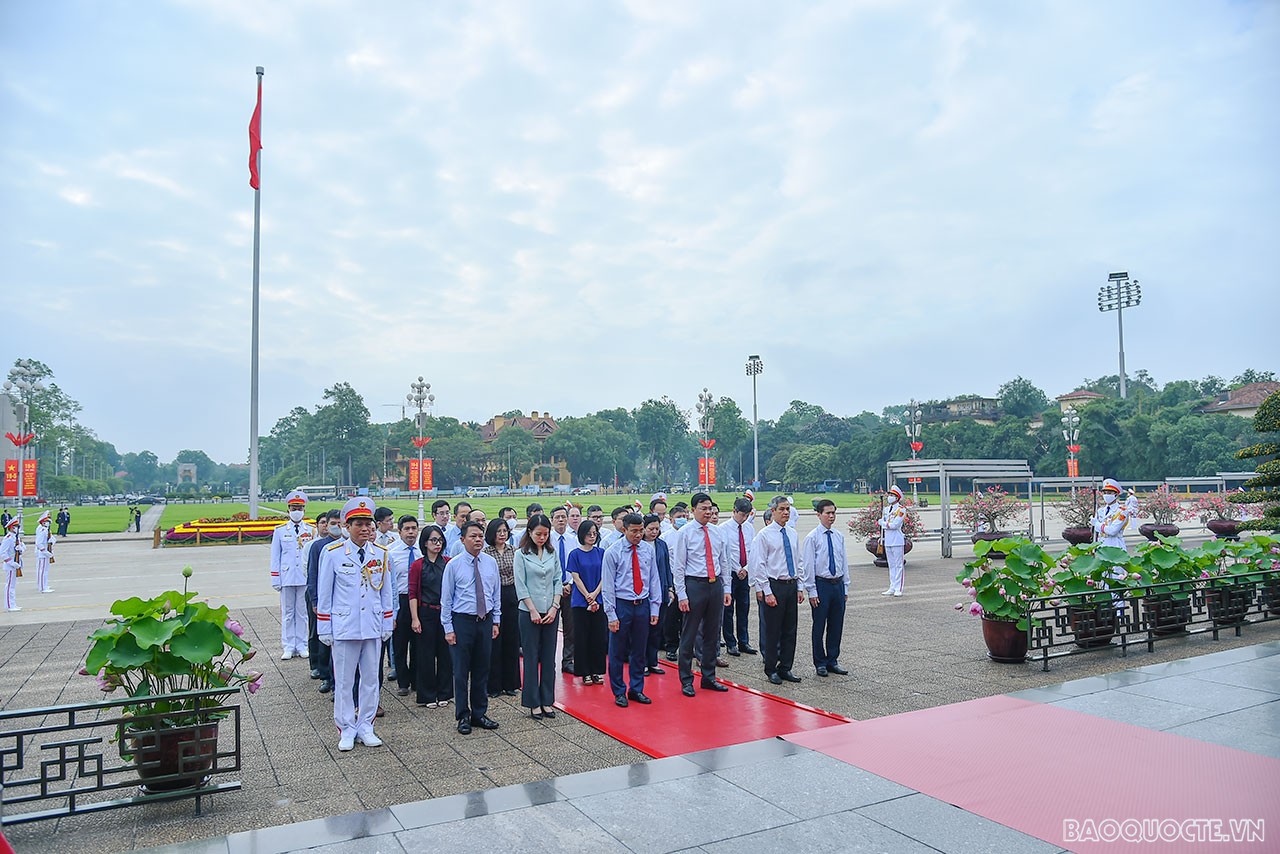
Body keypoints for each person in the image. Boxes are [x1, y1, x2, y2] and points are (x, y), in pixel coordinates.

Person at [316, 497, 394, 751]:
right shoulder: (333, 554)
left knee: (371, 680)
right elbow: (324, 592)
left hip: (371, 625)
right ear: (347, 527)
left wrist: (387, 623)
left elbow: (386, 592)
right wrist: (324, 627)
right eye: (358, 524)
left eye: (367, 524)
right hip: (345, 626)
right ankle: (346, 728)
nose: (364, 528)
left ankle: (366, 725)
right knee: (345, 681)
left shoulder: (380, 554)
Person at [442, 520, 501, 734]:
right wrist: (448, 628)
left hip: (484, 621)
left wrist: (496, 621)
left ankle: (479, 713)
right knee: (460, 671)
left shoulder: (490, 562)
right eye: (472, 536)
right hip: (462, 621)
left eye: (480, 536)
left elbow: (495, 594)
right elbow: (446, 600)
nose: (477, 540)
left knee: (481, 668)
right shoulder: (454, 565)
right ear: (462, 539)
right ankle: (463, 715)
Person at [671, 493, 733, 696]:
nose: (708, 512)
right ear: (693, 510)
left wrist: (727, 588)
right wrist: (682, 594)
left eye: (710, 509)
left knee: (712, 633)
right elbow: (678, 566)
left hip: (714, 584)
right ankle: (686, 679)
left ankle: (709, 677)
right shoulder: (685, 533)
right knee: (689, 634)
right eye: (703, 509)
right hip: (694, 584)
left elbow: (724, 562)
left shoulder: (717, 532)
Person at [602, 513, 661, 707]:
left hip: (642, 604)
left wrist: (655, 608)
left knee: (639, 650)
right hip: (622, 604)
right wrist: (611, 614)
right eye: (633, 531)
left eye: (640, 530)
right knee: (617, 650)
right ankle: (619, 690)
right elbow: (608, 586)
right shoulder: (613, 552)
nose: (638, 535)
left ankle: (636, 688)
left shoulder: (647, 550)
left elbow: (653, 579)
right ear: (624, 529)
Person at [750, 496, 805, 685]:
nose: (785, 512)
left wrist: (800, 587)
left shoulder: (792, 533)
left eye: (788, 509)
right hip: (774, 585)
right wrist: (767, 591)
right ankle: (771, 668)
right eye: (781, 509)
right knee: (773, 630)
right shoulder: (764, 535)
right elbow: (759, 565)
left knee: (790, 630)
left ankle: (786, 667)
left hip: (791, 585)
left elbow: (798, 561)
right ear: (772, 511)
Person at [514, 513, 560, 719]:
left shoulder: (552, 552)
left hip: (551, 609)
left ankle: (547, 700)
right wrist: (532, 609)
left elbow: (558, 579)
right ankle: (533, 701)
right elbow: (520, 584)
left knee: (549, 657)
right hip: (528, 611)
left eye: (545, 534)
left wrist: (554, 607)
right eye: (538, 534)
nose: (542, 538)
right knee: (531, 656)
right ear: (529, 533)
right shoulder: (521, 554)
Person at [408, 524, 453, 708]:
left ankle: (444, 692)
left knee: (445, 654)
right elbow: (412, 593)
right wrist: (415, 618)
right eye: (433, 540)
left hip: (444, 612)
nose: (437, 544)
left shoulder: (448, 562)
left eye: (440, 540)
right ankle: (427, 695)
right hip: (425, 612)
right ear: (425, 543)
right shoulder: (418, 565)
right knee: (425, 655)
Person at [803, 499, 849, 677]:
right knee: (819, 625)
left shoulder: (838, 536)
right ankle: (820, 662)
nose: (831, 516)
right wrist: (811, 590)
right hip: (821, 584)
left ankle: (832, 659)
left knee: (836, 625)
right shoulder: (812, 537)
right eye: (827, 513)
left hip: (837, 584)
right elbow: (808, 566)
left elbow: (843, 562)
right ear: (818, 515)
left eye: (833, 513)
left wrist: (845, 587)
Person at [270, 490, 314, 660]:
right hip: (287, 576)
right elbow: (275, 556)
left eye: (300, 507)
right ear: (288, 509)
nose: (297, 510)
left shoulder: (310, 530)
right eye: (294, 507)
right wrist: (275, 578)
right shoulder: (280, 530)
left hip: (303, 577)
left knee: (302, 613)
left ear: (304, 509)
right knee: (288, 613)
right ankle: (288, 645)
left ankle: (302, 645)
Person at [567, 519, 607, 687]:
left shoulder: (601, 552)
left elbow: (605, 575)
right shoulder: (575, 554)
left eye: (594, 534)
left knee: (598, 637)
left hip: (599, 598)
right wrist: (587, 596)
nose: (592, 536)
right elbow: (575, 577)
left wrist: (595, 594)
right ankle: (584, 672)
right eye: (589, 534)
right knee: (582, 637)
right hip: (580, 601)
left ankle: (597, 670)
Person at [484, 518, 521, 698]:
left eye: (505, 531)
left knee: (512, 640)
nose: (502, 534)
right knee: (494, 641)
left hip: (512, 595)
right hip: (493, 596)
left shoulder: (515, 551)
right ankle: (494, 685)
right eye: (498, 531)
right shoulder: (485, 553)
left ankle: (511, 683)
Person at [719, 497, 757, 656]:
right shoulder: (723, 528)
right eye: (742, 515)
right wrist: (737, 569)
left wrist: (746, 569)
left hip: (745, 573)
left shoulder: (749, 528)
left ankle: (744, 641)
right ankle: (730, 642)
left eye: (747, 515)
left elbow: (752, 550)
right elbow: (725, 554)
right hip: (730, 573)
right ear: (734, 511)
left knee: (744, 608)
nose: (744, 518)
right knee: (728, 610)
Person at [308, 509, 341, 690]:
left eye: (339, 523)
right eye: (333, 523)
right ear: (326, 525)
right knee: (324, 641)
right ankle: (325, 676)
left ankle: (338, 680)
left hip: (342, 602)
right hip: (324, 601)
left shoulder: (349, 545)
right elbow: (313, 576)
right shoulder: (319, 546)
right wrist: (315, 601)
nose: (336, 527)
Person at [388, 514, 420, 697]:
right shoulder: (391, 553)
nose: (410, 532)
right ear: (399, 531)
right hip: (400, 600)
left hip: (418, 601)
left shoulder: (422, 551)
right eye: (406, 529)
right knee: (400, 643)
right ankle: (402, 680)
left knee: (418, 643)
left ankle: (416, 678)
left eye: (413, 528)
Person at [548, 506, 578, 673]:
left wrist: (570, 584)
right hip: (552, 590)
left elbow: (575, 564)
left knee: (570, 627)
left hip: (570, 588)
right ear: (552, 520)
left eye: (563, 517)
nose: (561, 520)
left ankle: (568, 661)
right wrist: (558, 586)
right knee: (551, 627)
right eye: (557, 517)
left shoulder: (573, 540)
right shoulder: (548, 540)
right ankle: (546, 659)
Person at [642, 513, 672, 675]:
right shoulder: (638, 545)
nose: (654, 532)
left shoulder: (661, 545)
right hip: (643, 594)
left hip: (660, 592)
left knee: (656, 630)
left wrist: (670, 588)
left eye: (657, 529)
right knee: (643, 630)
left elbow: (667, 568)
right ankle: (643, 662)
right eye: (651, 529)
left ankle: (653, 661)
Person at [879, 486, 907, 596]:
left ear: (897, 497)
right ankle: (892, 586)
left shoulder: (901, 510)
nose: (889, 497)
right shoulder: (886, 510)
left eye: (892, 495)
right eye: (889, 495)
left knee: (898, 565)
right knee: (891, 565)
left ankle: (898, 588)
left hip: (897, 540)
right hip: (888, 540)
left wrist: (883, 524)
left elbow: (895, 525)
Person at [1093, 478, 1131, 550]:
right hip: (1101, 545)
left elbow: (1112, 531)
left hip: (1115, 546)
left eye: (1109, 493)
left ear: (1116, 495)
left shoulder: (1122, 512)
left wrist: (1097, 524)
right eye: (1105, 493)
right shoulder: (1100, 511)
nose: (1106, 495)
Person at [2, 515, 23, 611]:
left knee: (13, 586)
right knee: (9, 585)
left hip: (17, 563)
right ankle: (9, 605)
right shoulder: (8, 538)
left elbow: (22, 548)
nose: (18, 528)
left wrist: (20, 549)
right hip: (10, 565)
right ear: (11, 527)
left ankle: (13, 604)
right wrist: (11, 563)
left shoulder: (16, 537)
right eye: (16, 526)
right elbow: (2, 553)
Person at [35, 510, 56, 593]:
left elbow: (52, 539)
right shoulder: (42, 530)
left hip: (46, 552)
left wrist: (52, 541)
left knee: (45, 570)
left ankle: (44, 585)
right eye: (46, 521)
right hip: (43, 553)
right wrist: (45, 552)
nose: (48, 522)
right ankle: (42, 587)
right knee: (42, 571)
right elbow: (39, 543)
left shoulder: (46, 530)